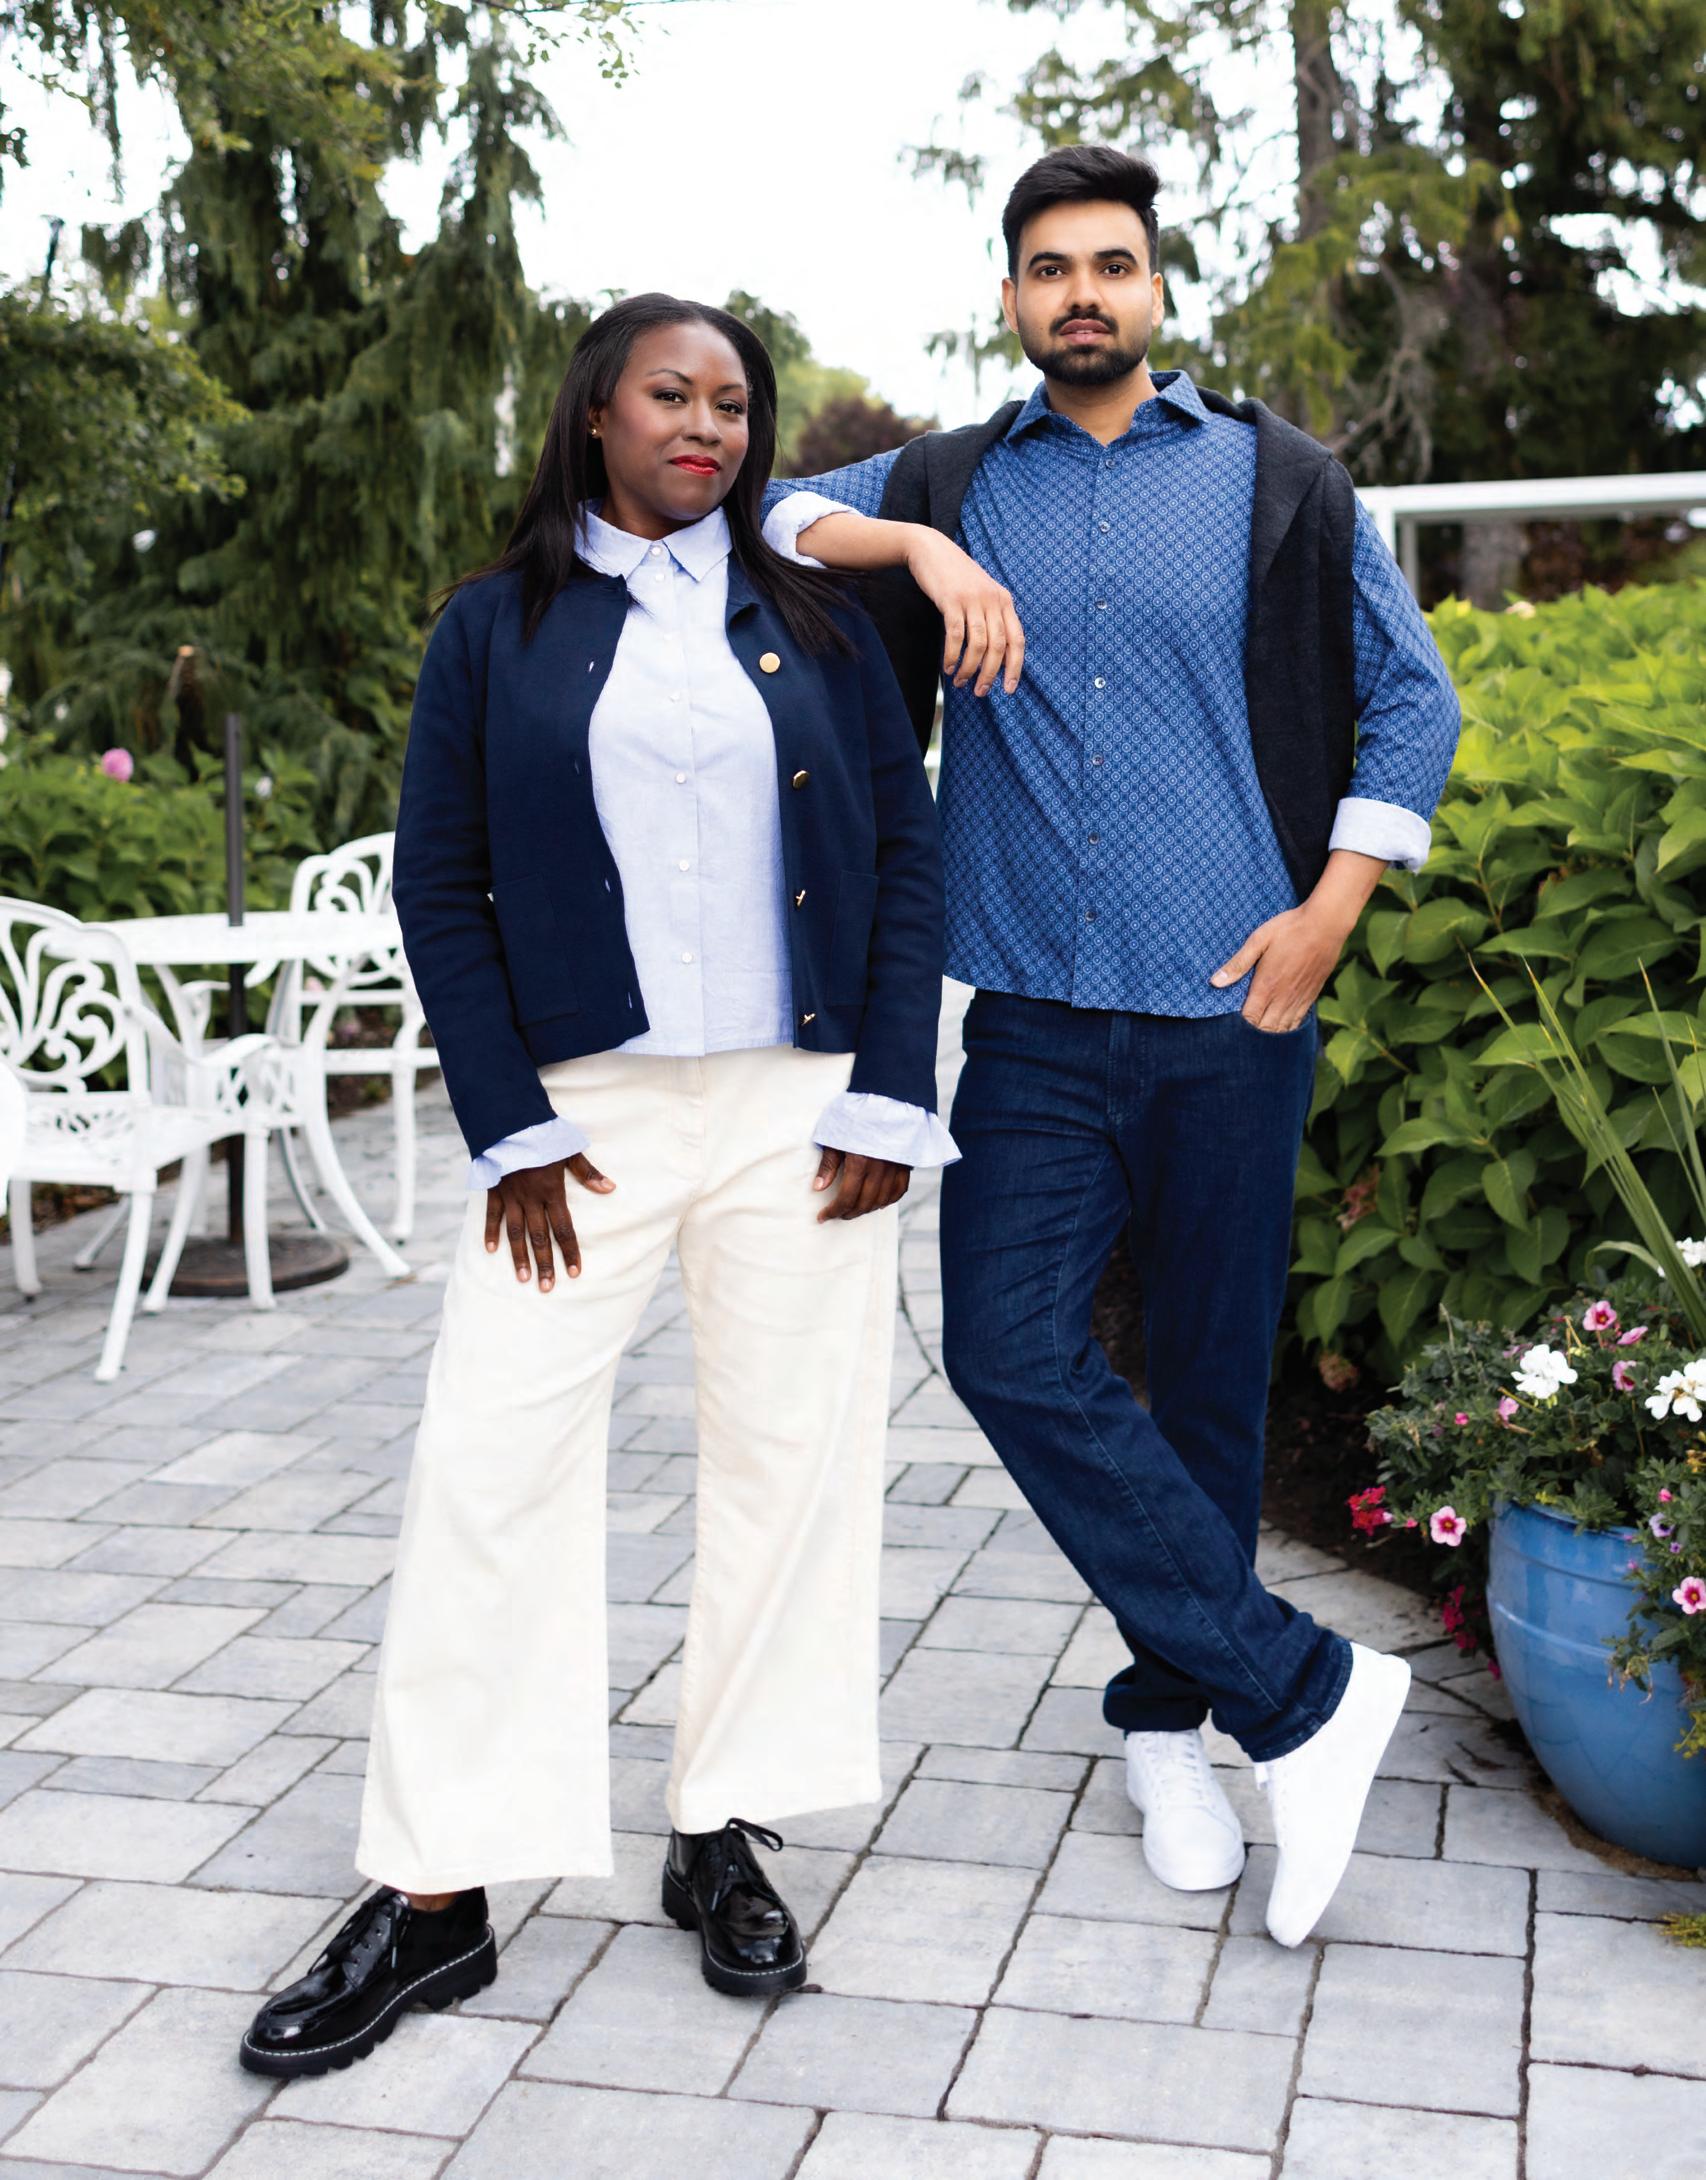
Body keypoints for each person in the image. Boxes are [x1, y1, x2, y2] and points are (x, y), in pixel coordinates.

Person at [239, 294, 954, 2078]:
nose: (705, 425)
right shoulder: (496, 625)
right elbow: (440, 881)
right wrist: (510, 1122)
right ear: (593, 415)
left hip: (798, 1107)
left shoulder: (816, 618)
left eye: (733, 402)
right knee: (489, 1466)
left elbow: (905, 851)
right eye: (669, 394)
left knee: (790, 1467)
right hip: (581, 1117)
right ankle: (436, 1892)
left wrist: (888, 1090)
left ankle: (721, 1827)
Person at [762, 146, 1461, 1949]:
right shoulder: (946, 480)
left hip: (1236, 1006)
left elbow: (1412, 697)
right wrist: (917, 547)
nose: (1083, 293)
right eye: (1050, 268)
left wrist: (1330, 909)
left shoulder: (1275, 480)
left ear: (1154, 289)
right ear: (1009, 298)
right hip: (1031, 1018)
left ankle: (1175, 1725)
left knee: (1212, 1389)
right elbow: (756, 511)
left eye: (1112, 264)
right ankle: (1304, 1689)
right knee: (1006, 1346)